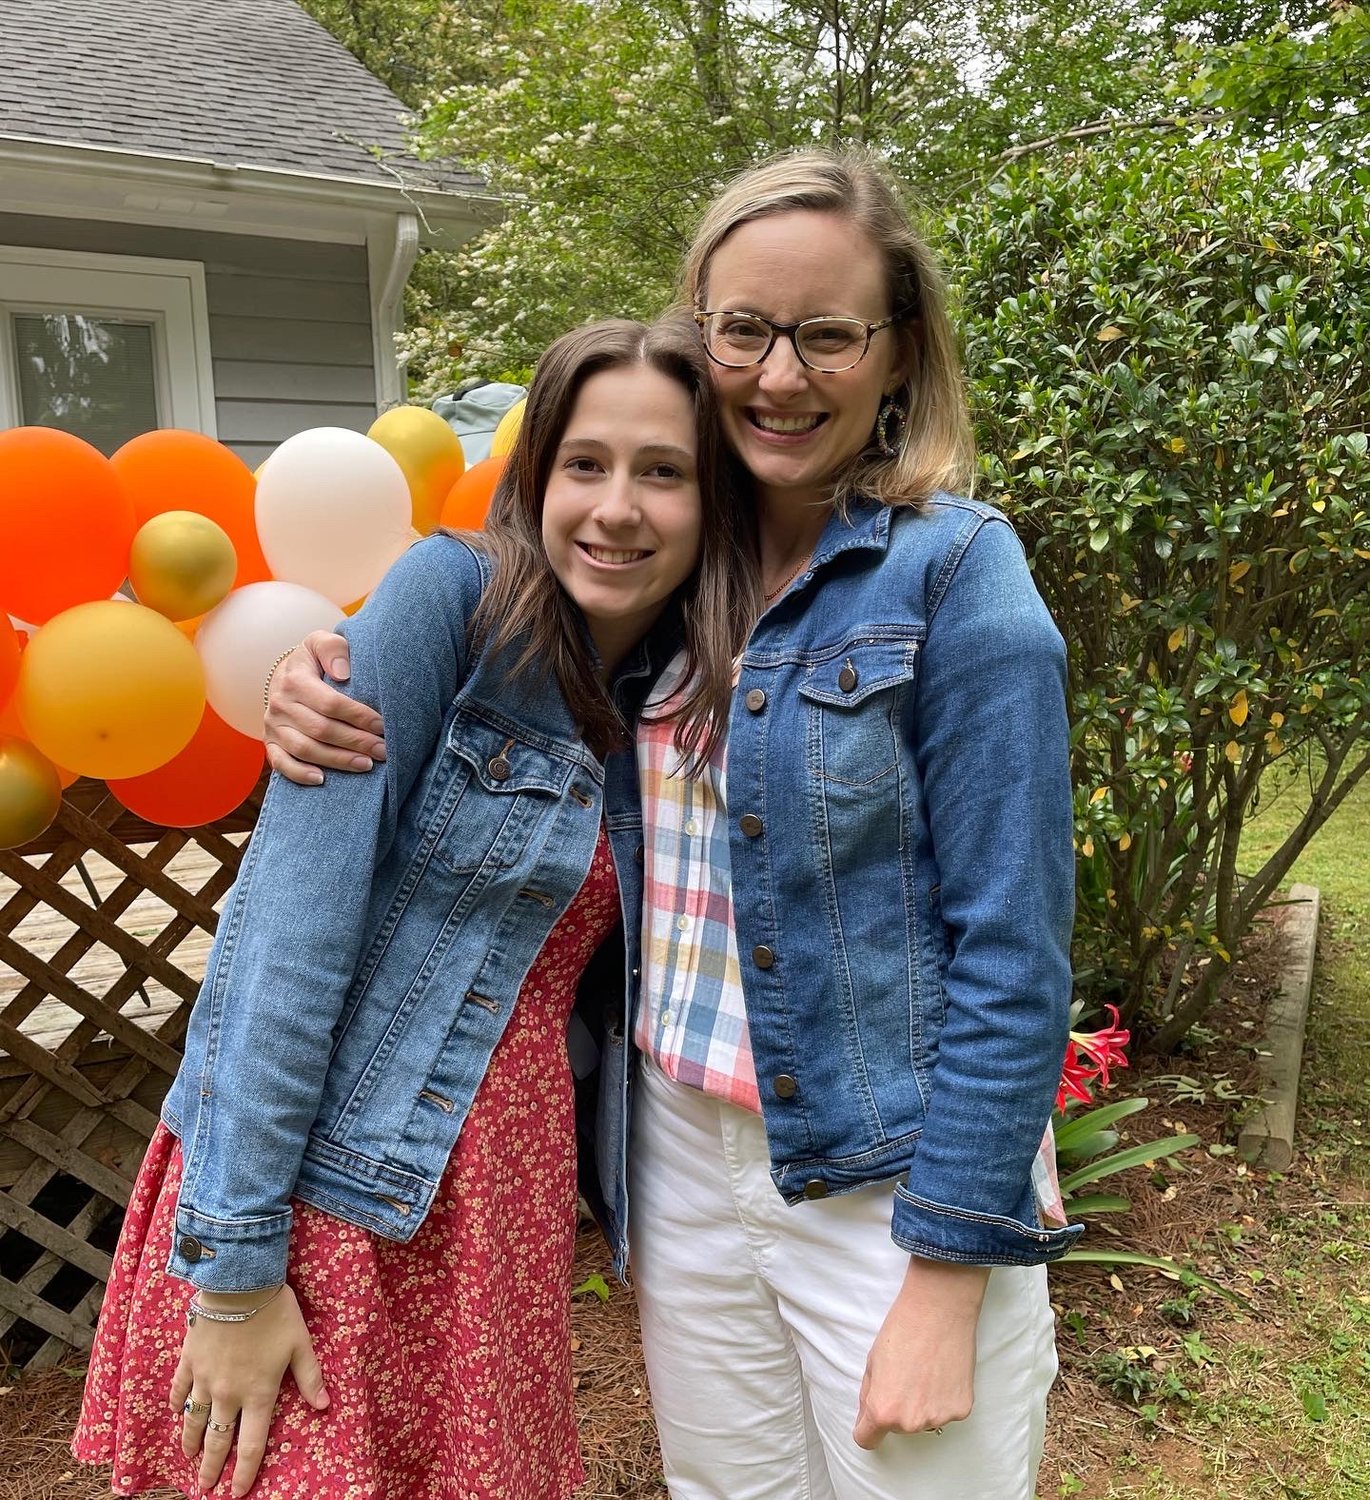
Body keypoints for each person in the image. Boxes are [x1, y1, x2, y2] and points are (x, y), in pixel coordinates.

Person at [264, 147, 1082, 1500]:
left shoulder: (954, 572)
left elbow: (1013, 950)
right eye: (744, 329)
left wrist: (946, 1279)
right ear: (700, 331)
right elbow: (473, 649)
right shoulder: (656, 572)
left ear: (896, 353)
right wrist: (312, 673)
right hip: (679, 1158)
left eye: (826, 334)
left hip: (885, 1181)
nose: (777, 374)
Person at [72, 316, 755, 1500]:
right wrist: (236, 1268)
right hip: (334, 1172)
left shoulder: (667, 688)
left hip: (496, 1194)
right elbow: (288, 927)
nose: (615, 508)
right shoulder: (451, 601)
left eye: (664, 473)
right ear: (534, 472)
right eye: (583, 464)